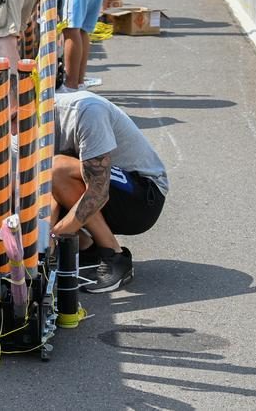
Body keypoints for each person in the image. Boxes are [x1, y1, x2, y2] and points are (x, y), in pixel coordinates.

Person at [51, 89, 169, 293]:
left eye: (15, 118)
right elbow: (44, 192)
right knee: (40, 179)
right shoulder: (22, 129)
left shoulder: (86, 111)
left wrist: (54, 235)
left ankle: (114, 255)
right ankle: (87, 248)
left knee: (57, 168)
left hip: (143, 198)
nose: (13, 129)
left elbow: (98, 192)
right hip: (104, 189)